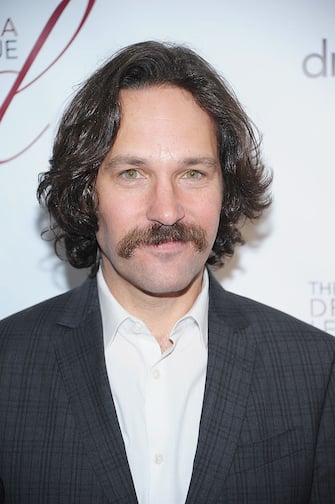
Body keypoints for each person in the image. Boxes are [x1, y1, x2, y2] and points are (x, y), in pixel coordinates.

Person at [0, 41, 334, 504]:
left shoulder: (316, 370)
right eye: (133, 173)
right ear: (85, 193)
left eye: (193, 173)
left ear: (225, 188)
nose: (167, 211)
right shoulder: (7, 366)